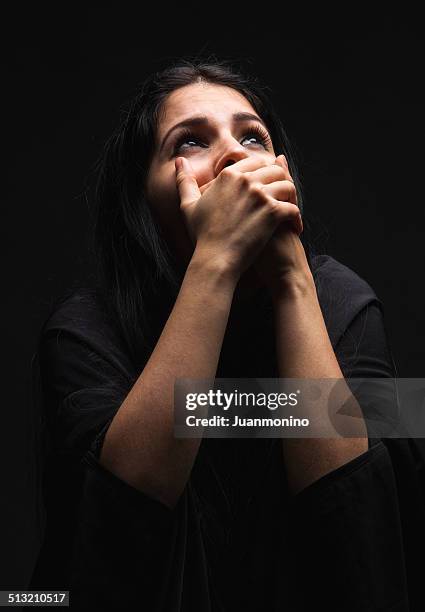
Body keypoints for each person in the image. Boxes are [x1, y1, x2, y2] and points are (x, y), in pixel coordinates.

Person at [29, 58, 425, 611]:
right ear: (142, 199)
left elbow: (364, 529)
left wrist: (291, 278)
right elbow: (110, 530)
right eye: (189, 142)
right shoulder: (83, 328)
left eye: (252, 137)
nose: (236, 154)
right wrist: (215, 261)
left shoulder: (345, 302)